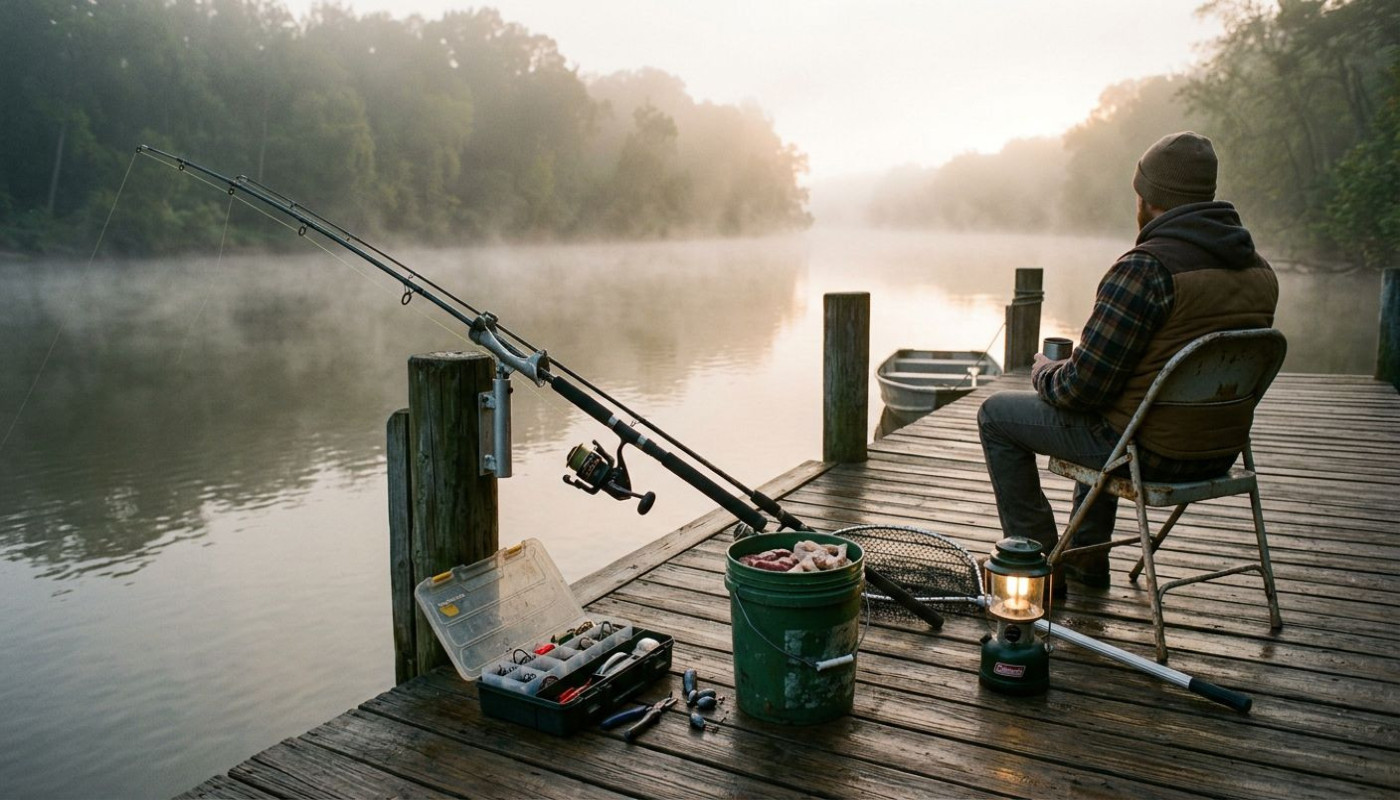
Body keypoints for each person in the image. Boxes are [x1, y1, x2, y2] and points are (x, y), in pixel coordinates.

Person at [977, 131, 1279, 594]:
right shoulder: (1260, 272)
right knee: (1117, 411)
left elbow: (1081, 389)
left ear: (1148, 199)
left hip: (1150, 454)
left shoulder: (1145, 269)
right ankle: (1087, 562)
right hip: (1218, 455)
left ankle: (1035, 564)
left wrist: (1043, 372)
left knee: (997, 414)